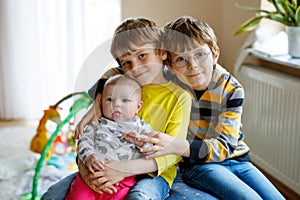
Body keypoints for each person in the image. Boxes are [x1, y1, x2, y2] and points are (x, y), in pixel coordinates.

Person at [126, 16, 285, 200]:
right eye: (181, 59)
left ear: (215, 53)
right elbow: (125, 68)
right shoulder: (171, 78)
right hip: (198, 164)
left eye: (200, 55)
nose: (192, 66)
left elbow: (225, 146)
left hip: (237, 159)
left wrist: (176, 145)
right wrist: (98, 94)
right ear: (169, 64)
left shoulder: (231, 89)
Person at [42, 17, 192, 200]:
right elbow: (89, 136)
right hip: (104, 165)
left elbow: (172, 153)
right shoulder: (116, 88)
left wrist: (123, 170)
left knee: (138, 197)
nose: (135, 67)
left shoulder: (180, 97)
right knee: (51, 196)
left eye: (142, 55)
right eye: (126, 63)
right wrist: (86, 172)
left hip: (150, 174)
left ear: (161, 52)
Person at [66, 75, 154, 200]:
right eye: (110, 100)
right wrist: (89, 156)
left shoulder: (141, 128)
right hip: (90, 178)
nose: (116, 104)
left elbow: (154, 149)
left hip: (121, 182)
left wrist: (140, 142)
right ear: (101, 102)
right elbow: (84, 141)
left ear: (138, 107)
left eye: (125, 100)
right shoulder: (97, 123)